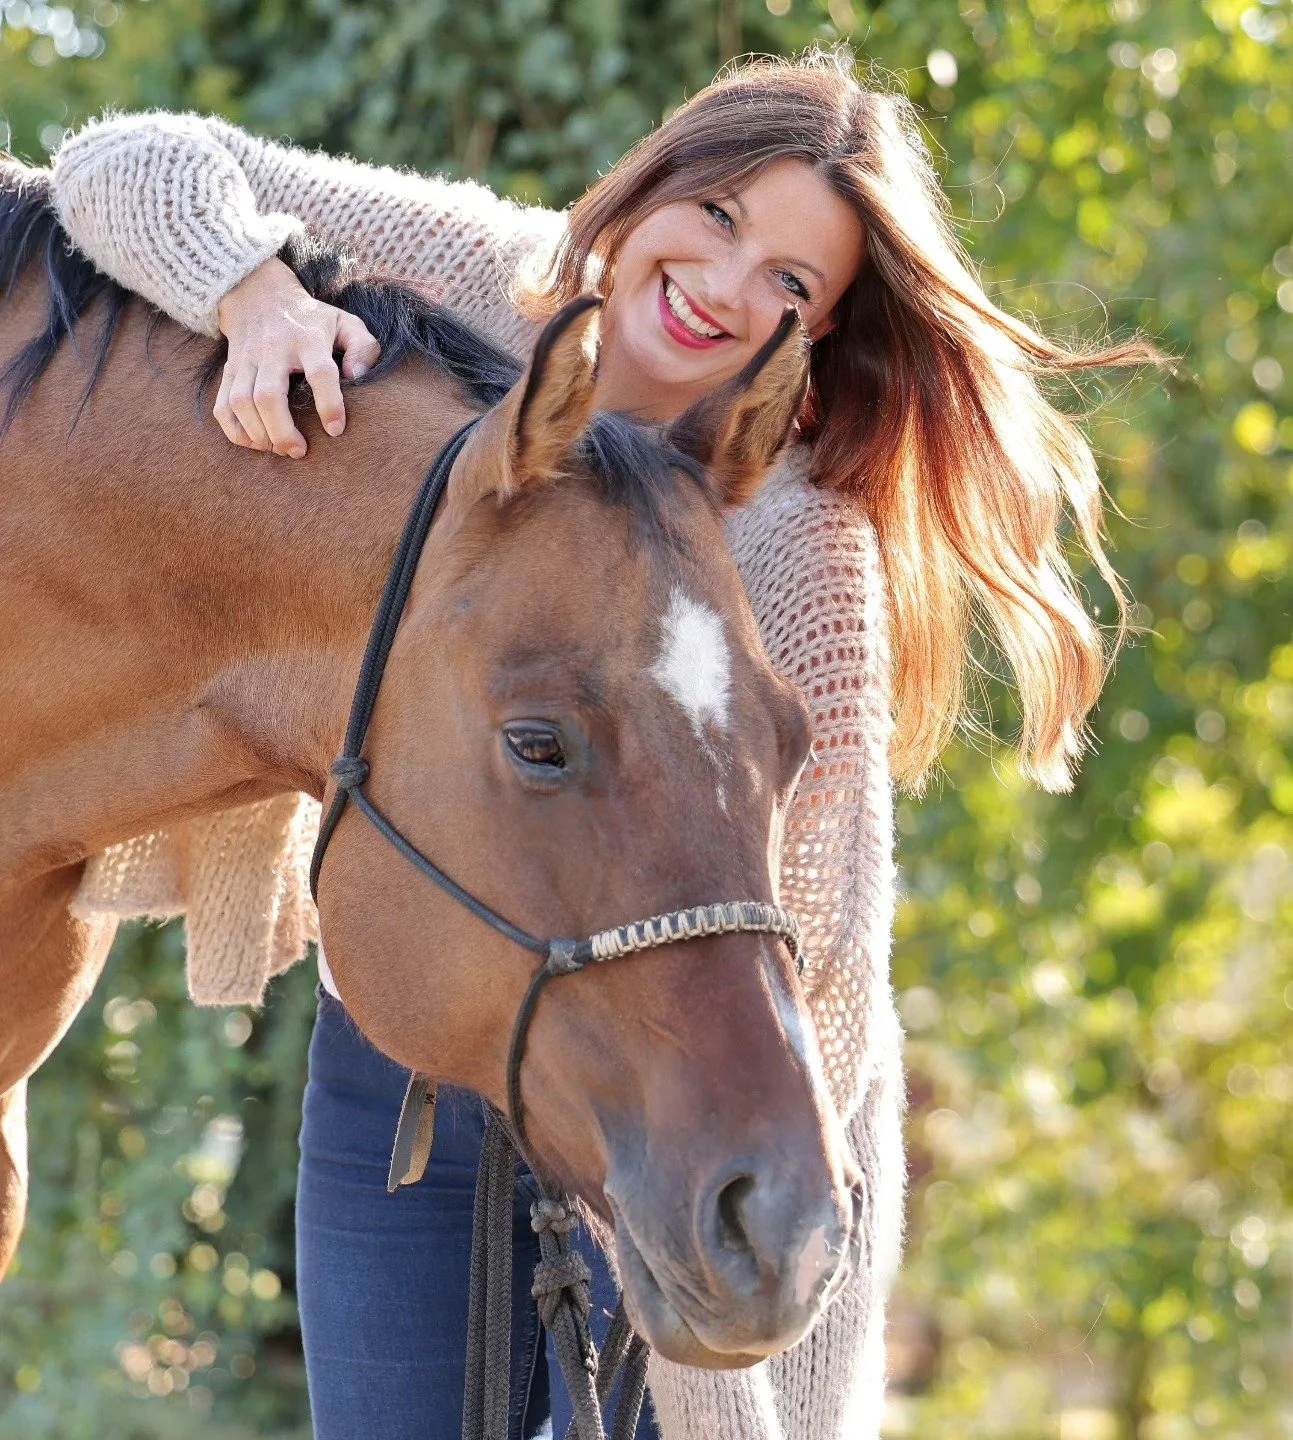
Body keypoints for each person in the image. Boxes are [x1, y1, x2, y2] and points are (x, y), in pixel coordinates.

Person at [50, 48, 1148, 1440]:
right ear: (648, 195)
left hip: (675, 1089)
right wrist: (254, 295)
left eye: (792, 287)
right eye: (724, 220)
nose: (732, 285)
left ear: (810, 340)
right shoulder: (476, 285)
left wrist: (733, 1387)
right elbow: (121, 158)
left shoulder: (800, 548)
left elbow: (826, 977)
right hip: (410, 1094)